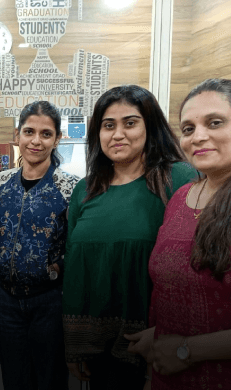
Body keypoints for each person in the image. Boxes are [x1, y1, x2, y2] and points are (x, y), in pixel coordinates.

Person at [126, 78, 231, 390]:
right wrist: (158, 337)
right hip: (169, 376)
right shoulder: (182, 197)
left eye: (215, 123)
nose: (198, 137)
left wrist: (187, 349)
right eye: (188, 129)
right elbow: (168, 289)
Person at [62, 85, 198, 389]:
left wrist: (169, 335)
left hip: (158, 346)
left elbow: (194, 268)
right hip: (97, 350)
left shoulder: (179, 179)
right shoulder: (84, 189)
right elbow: (73, 266)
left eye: (130, 123)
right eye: (108, 125)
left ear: (150, 127)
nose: (118, 134)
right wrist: (74, 343)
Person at [0, 100, 80, 390]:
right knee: (14, 379)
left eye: (46, 134)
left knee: (50, 379)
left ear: (57, 139)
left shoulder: (71, 187)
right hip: (7, 301)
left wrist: (55, 268)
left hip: (49, 300)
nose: (36, 141)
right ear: (17, 136)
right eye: (29, 132)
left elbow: (76, 245)